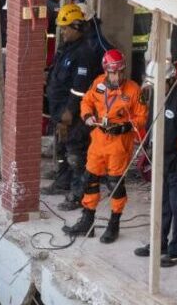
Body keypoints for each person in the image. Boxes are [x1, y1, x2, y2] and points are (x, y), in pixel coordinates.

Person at [62, 49, 147, 244]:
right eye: (113, 73)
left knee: (115, 185)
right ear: (106, 71)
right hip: (99, 139)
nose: (116, 77)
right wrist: (87, 116)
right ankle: (87, 220)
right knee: (90, 180)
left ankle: (114, 223)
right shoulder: (99, 83)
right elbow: (86, 101)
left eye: (120, 72)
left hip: (119, 143)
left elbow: (142, 117)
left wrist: (126, 125)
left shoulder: (133, 90)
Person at [42, 4, 103, 204]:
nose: (63, 32)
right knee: (61, 148)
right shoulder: (67, 48)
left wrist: (68, 113)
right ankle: (63, 181)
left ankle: (79, 193)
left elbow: (79, 88)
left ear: (77, 27)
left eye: (66, 28)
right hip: (59, 109)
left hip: (73, 114)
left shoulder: (84, 53)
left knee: (75, 154)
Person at [134, 83, 177, 266]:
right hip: (159, 159)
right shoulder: (156, 95)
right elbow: (151, 123)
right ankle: (159, 243)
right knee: (161, 205)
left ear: (168, 79)